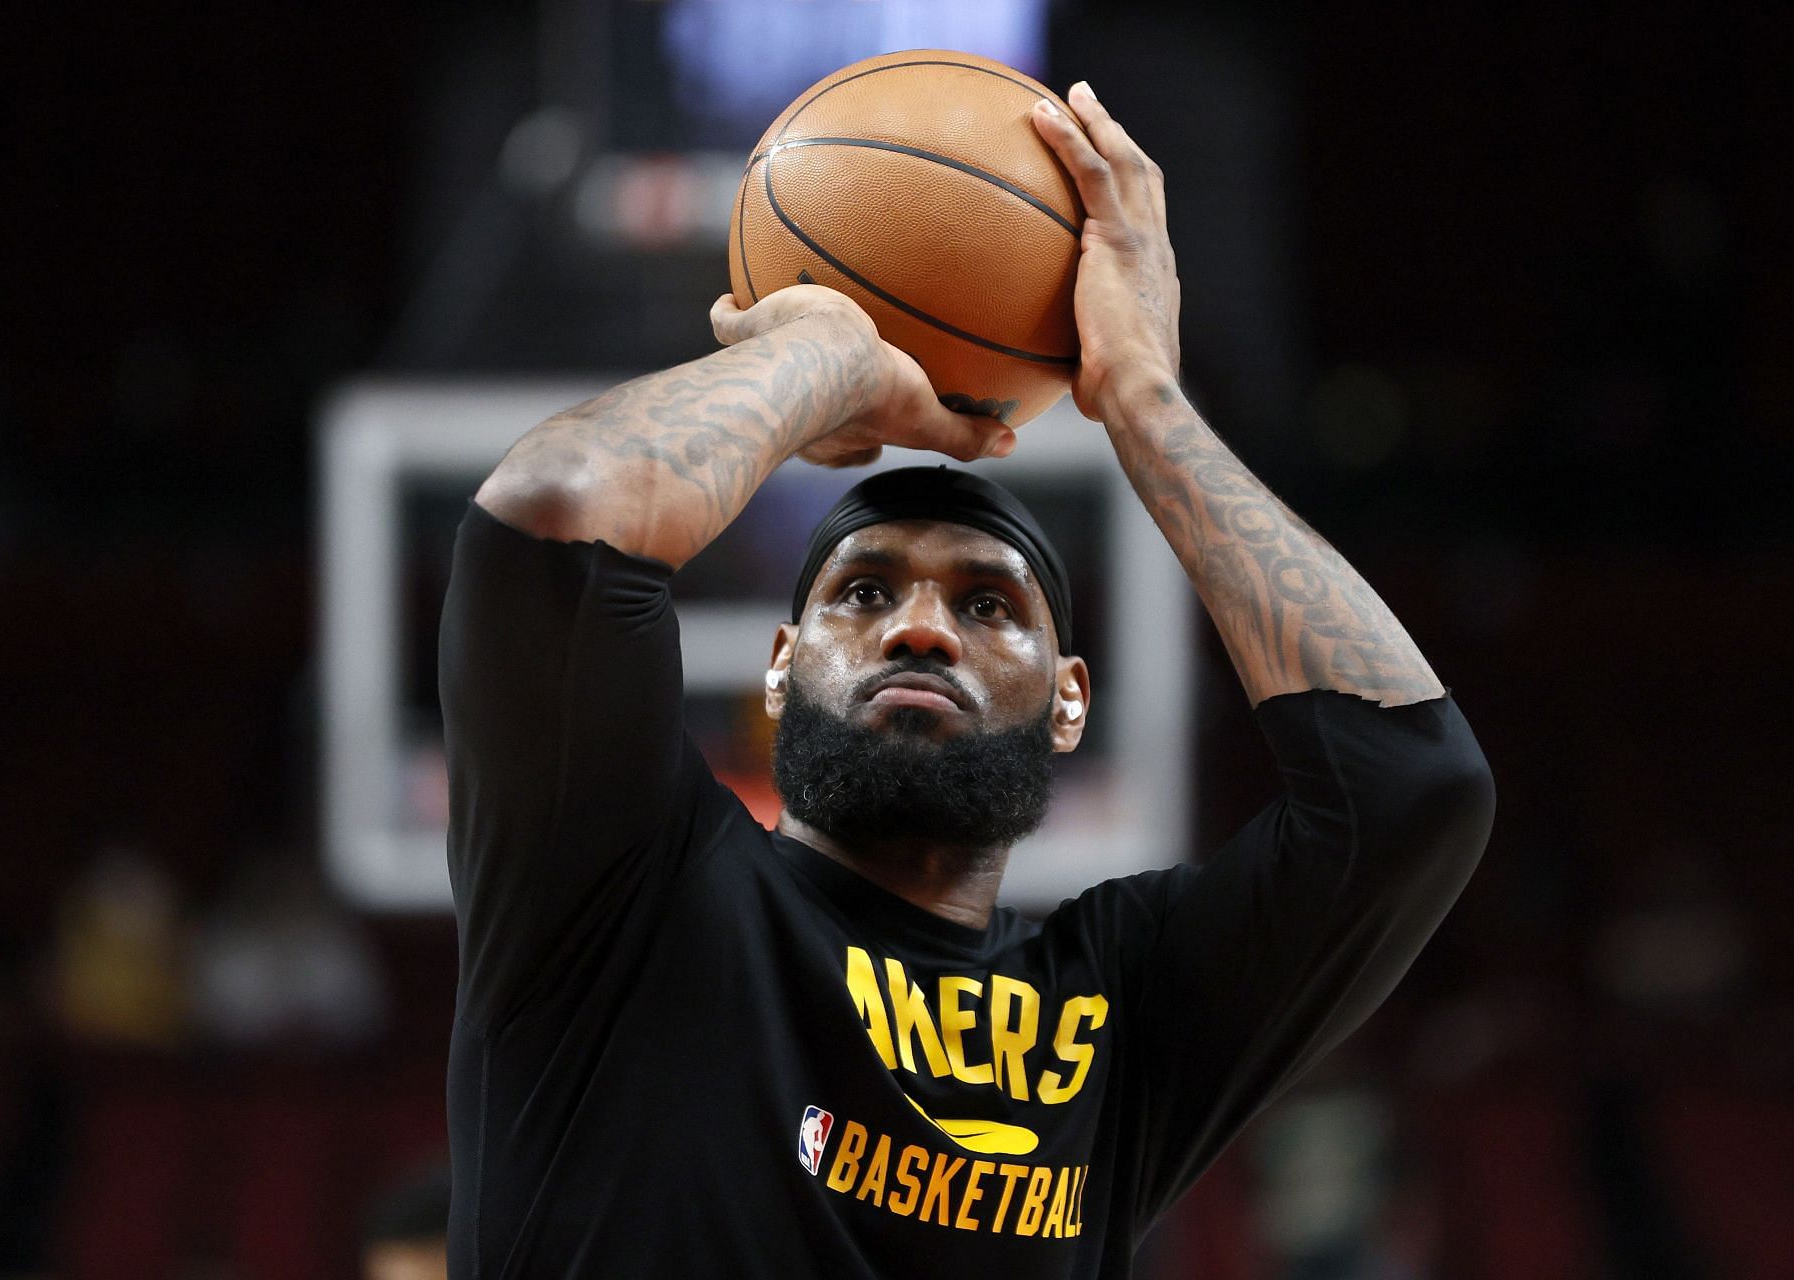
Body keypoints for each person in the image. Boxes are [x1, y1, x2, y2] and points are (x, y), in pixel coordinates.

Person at [438, 82, 1494, 1277]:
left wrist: (1143, 399)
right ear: (780, 668)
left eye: (989, 604)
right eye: (864, 591)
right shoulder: (624, 885)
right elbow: (559, 514)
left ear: (1070, 698)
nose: (922, 629)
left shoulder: (1124, 1005)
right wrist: (822, 355)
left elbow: (1414, 787)